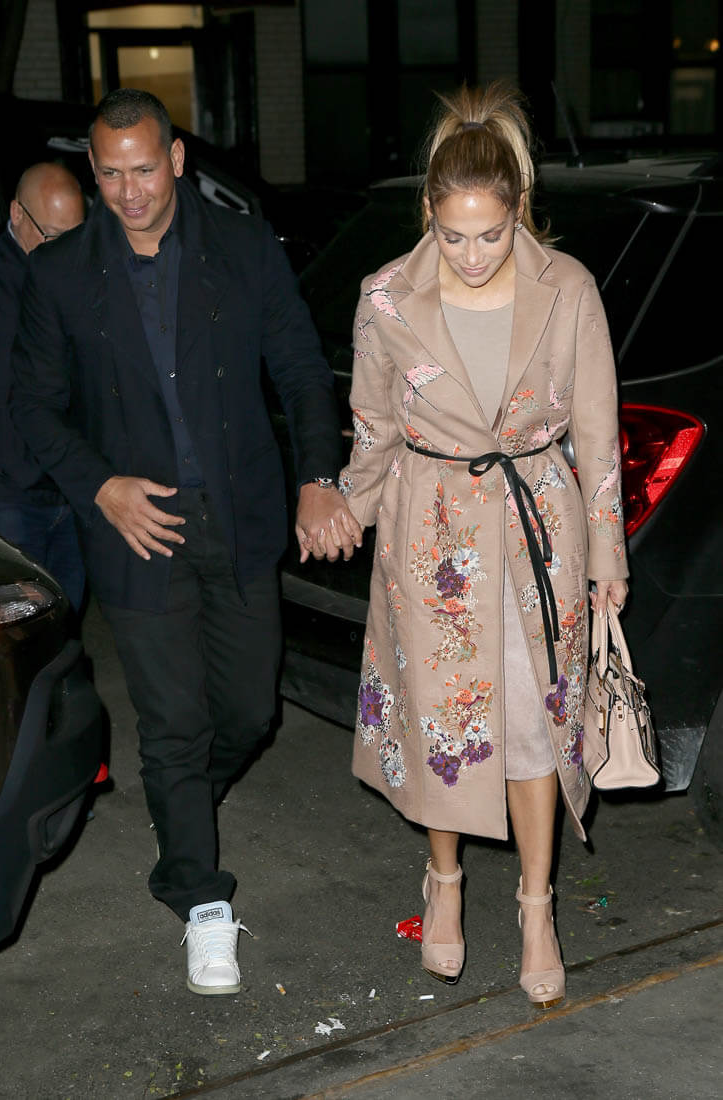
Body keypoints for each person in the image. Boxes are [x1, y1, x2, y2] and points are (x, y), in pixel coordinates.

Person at [11, 88, 361, 995]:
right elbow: (34, 408)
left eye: (143, 169)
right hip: (137, 529)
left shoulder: (241, 248)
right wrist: (101, 485)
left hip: (239, 518)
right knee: (173, 724)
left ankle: (181, 813)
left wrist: (319, 478)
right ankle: (201, 899)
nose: (129, 192)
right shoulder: (61, 273)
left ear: (175, 162)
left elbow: (298, 369)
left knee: (247, 713)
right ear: (94, 174)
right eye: (110, 174)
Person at [339, 82, 628, 1007]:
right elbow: (373, 428)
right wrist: (344, 506)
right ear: (428, 212)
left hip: (538, 528)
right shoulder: (385, 297)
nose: (470, 255)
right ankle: (445, 881)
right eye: (452, 233)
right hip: (431, 536)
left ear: (519, 210)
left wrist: (607, 557)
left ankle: (537, 905)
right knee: (445, 720)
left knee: (535, 719)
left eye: (491, 235)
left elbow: (598, 432)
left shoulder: (567, 288)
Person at [0, 162, 86, 611]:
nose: (65, 250)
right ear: (16, 214)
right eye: (52, 236)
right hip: (10, 495)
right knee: (18, 627)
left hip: (70, 487)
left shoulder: (78, 274)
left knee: (65, 617)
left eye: (75, 236)